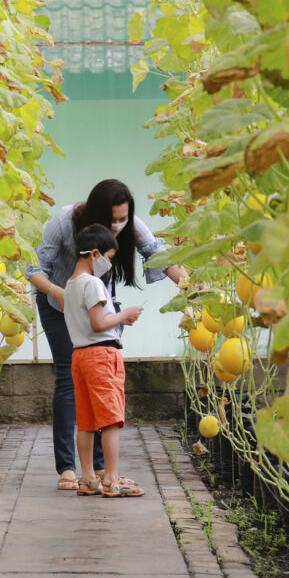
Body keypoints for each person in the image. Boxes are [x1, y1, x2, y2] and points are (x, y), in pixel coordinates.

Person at [26, 179, 188, 490]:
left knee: (95, 385)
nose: (118, 225)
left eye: (123, 218)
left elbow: (157, 253)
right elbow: (34, 267)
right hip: (58, 301)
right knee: (70, 379)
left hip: (98, 303)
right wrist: (61, 294)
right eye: (113, 219)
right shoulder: (64, 221)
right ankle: (68, 468)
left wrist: (191, 287)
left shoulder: (129, 225)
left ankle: (96, 469)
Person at [63, 225, 144, 497]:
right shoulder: (93, 283)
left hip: (79, 356)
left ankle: (88, 478)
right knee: (111, 420)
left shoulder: (70, 285)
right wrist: (125, 316)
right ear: (95, 254)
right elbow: (98, 323)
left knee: (86, 422)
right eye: (109, 258)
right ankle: (111, 479)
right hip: (101, 355)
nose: (109, 264)